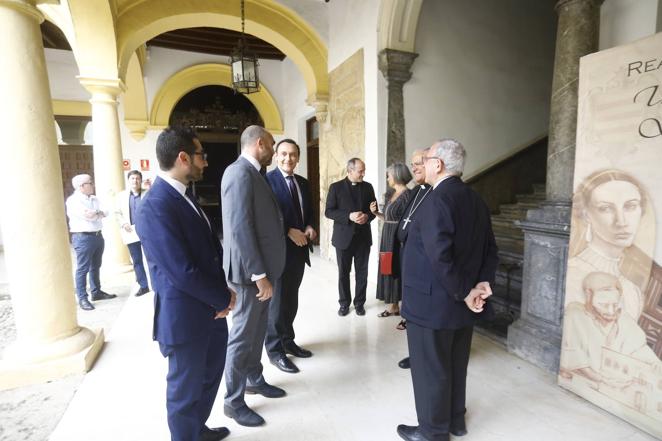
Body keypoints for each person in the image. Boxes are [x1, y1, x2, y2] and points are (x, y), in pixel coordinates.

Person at [135, 126, 233, 441]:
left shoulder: (183, 195)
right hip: (186, 318)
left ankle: (196, 430)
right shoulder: (155, 205)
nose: (205, 162)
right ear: (183, 157)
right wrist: (221, 299)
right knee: (184, 390)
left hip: (209, 311)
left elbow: (205, 252)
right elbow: (181, 270)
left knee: (208, 377)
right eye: (201, 155)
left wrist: (222, 294)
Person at [397, 139, 498, 441]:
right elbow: (489, 249)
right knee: (455, 365)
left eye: (425, 158)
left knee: (432, 369)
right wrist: (481, 283)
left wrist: (466, 292)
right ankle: (455, 421)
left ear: (437, 164)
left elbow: (439, 256)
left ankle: (432, 431)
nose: (422, 164)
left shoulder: (436, 200)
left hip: (434, 303)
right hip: (461, 303)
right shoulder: (475, 199)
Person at [221, 125, 287, 427]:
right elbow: (239, 228)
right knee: (241, 338)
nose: (273, 150)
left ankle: (254, 378)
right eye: (272, 145)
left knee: (257, 331)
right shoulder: (239, 174)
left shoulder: (253, 173)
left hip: (260, 273)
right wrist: (259, 273)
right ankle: (233, 402)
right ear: (260, 144)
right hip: (250, 276)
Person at [264, 138, 317, 374]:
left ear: (298, 157)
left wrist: (311, 226)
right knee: (276, 305)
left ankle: (288, 340)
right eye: (283, 154)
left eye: (293, 154)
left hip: (298, 252)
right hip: (277, 252)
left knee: (291, 299)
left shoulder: (303, 183)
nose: (288, 159)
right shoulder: (266, 181)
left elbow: (309, 212)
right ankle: (275, 351)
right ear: (276, 156)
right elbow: (263, 216)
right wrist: (287, 231)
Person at [560, 271, 660, 388]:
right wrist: (603, 380)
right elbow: (574, 357)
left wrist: (655, 363)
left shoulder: (624, 320)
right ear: (588, 295)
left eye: (615, 305)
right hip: (579, 385)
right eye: (604, 305)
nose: (611, 312)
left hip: (616, 386)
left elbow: (639, 348)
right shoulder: (574, 314)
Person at [325, 158, 377, 316]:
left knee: (362, 273)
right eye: (360, 171)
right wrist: (349, 216)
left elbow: (374, 210)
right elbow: (329, 211)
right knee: (343, 273)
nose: (363, 174)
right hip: (343, 239)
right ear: (350, 171)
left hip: (363, 238)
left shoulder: (368, 187)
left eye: (364, 170)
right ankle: (344, 304)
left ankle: (360, 303)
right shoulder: (336, 187)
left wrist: (367, 217)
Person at [396, 150, 431, 370]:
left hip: (425, 264)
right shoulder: (417, 191)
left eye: (419, 163)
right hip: (408, 258)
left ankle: (425, 355)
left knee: (424, 313)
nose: (414, 167)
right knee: (411, 311)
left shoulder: (438, 192)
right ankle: (416, 353)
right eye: (412, 164)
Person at [65, 174, 117, 311]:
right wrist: (97, 214)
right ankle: (82, 298)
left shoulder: (94, 198)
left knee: (96, 266)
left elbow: (106, 211)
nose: (93, 184)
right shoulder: (73, 201)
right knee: (82, 269)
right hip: (83, 238)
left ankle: (96, 292)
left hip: (97, 235)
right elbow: (87, 216)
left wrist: (97, 213)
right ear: (82, 186)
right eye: (90, 183)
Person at [370, 163, 412, 319]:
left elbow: (408, 220)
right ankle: (393, 306)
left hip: (397, 239)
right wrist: (375, 213)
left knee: (397, 270)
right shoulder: (391, 194)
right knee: (387, 268)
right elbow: (388, 218)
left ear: (396, 175)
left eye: (389, 175)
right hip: (387, 236)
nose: (387, 178)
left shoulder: (408, 196)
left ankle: (405, 311)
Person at [115, 170, 150, 297]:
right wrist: (123, 223)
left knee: (153, 258)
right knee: (137, 260)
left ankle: (157, 283)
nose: (135, 181)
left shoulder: (148, 194)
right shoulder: (121, 196)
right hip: (130, 232)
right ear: (129, 181)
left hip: (147, 231)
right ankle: (143, 285)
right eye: (132, 179)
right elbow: (117, 213)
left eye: (137, 178)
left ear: (141, 180)